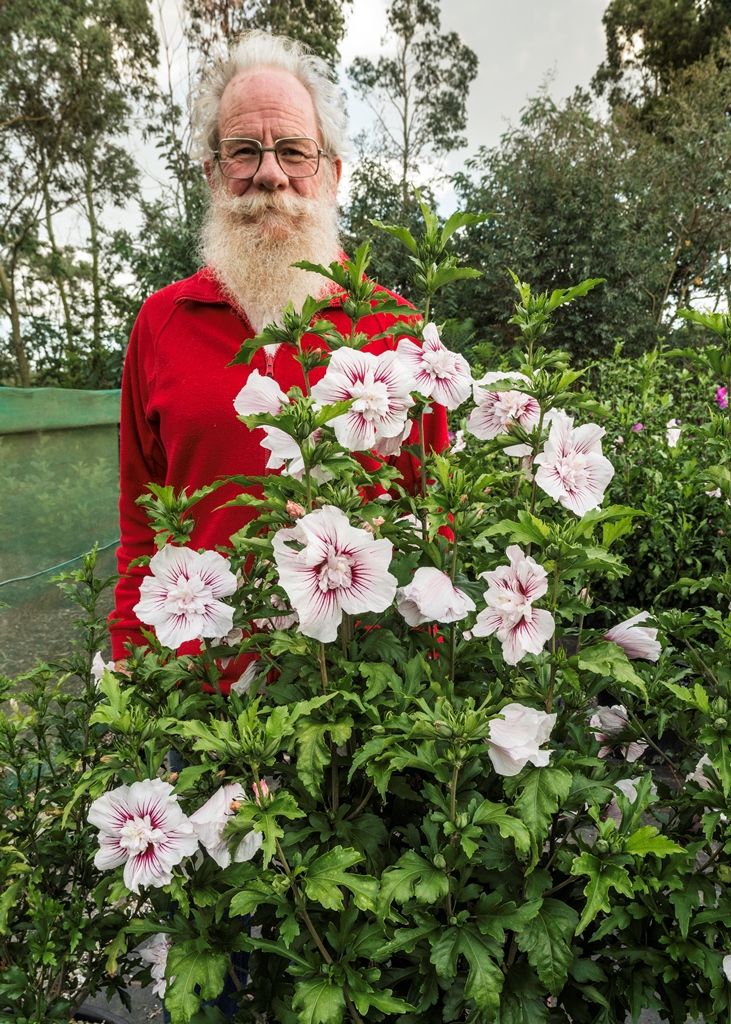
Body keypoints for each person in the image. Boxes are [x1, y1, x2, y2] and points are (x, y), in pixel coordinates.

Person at [110, 29, 448, 684]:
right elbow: (140, 523)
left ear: (332, 174)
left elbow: (436, 516)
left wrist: (429, 682)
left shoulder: (395, 327)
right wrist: (130, 668)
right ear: (213, 174)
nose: (269, 174)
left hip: (362, 694)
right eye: (243, 151)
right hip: (202, 696)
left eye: (294, 151)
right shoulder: (162, 323)